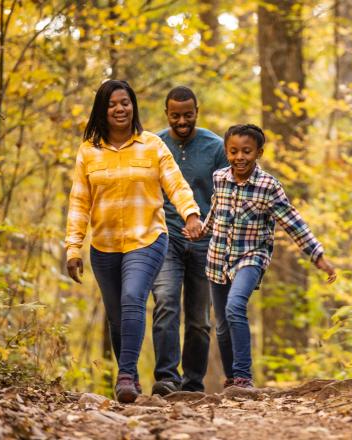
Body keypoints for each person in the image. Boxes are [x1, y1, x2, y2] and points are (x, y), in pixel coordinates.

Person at [65, 80, 202, 403]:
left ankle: (125, 376)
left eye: (125, 102)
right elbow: (79, 202)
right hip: (105, 245)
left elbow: (176, 185)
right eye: (112, 104)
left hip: (147, 238)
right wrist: (73, 247)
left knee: (132, 298)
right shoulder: (89, 151)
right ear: (102, 109)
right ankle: (131, 376)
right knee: (117, 316)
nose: (120, 108)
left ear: (133, 106)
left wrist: (191, 215)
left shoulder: (152, 145)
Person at [189, 123, 336, 389]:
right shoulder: (220, 178)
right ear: (226, 151)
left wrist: (317, 255)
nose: (239, 157)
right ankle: (232, 377)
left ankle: (243, 377)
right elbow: (215, 211)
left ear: (259, 153)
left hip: (251, 257)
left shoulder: (268, 186)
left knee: (235, 307)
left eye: (246, 151)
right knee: (221, 326)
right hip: (218, 257)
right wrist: (202, 230)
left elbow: (293, 222)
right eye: (233, 151)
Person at [150, 86, 228, 396]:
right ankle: (167, 378)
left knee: (199, 319)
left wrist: (214, 229)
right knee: (166, 303)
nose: (182, 121)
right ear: (166, 114)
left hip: (205, 242)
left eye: (187, 114)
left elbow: (227, 194)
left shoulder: (216, 146)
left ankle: (193, 384)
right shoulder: (155, 145)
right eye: (175, 115)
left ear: (197, 111)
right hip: (165, 238)